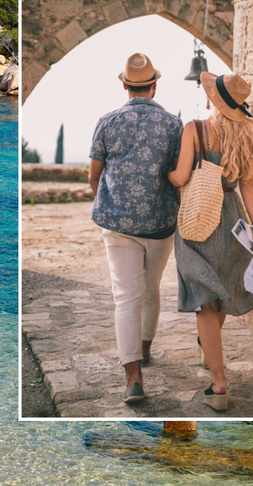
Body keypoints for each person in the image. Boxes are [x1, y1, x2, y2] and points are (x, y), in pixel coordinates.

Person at [167, 71, 253, 412]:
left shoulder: (195, 129)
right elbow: (248, 186)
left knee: (206, 303)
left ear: (214, 100)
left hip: (198, 220)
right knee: (220, 294)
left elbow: (181, 176)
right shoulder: (245, 138)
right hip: (234, 222)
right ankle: (210, 358)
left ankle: (219, 383)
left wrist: (166, 174)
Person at [89, 53, 182, 404]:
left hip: (117, 224)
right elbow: (177, 178)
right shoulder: (174, 125)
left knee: (126, 297)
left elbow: (93, 177)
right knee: (152, 288)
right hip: (160, 224)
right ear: (155, 86)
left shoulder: (107, 121)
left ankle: (133, 378)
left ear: (124, 84)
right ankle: (144, 348)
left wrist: (112, 202)